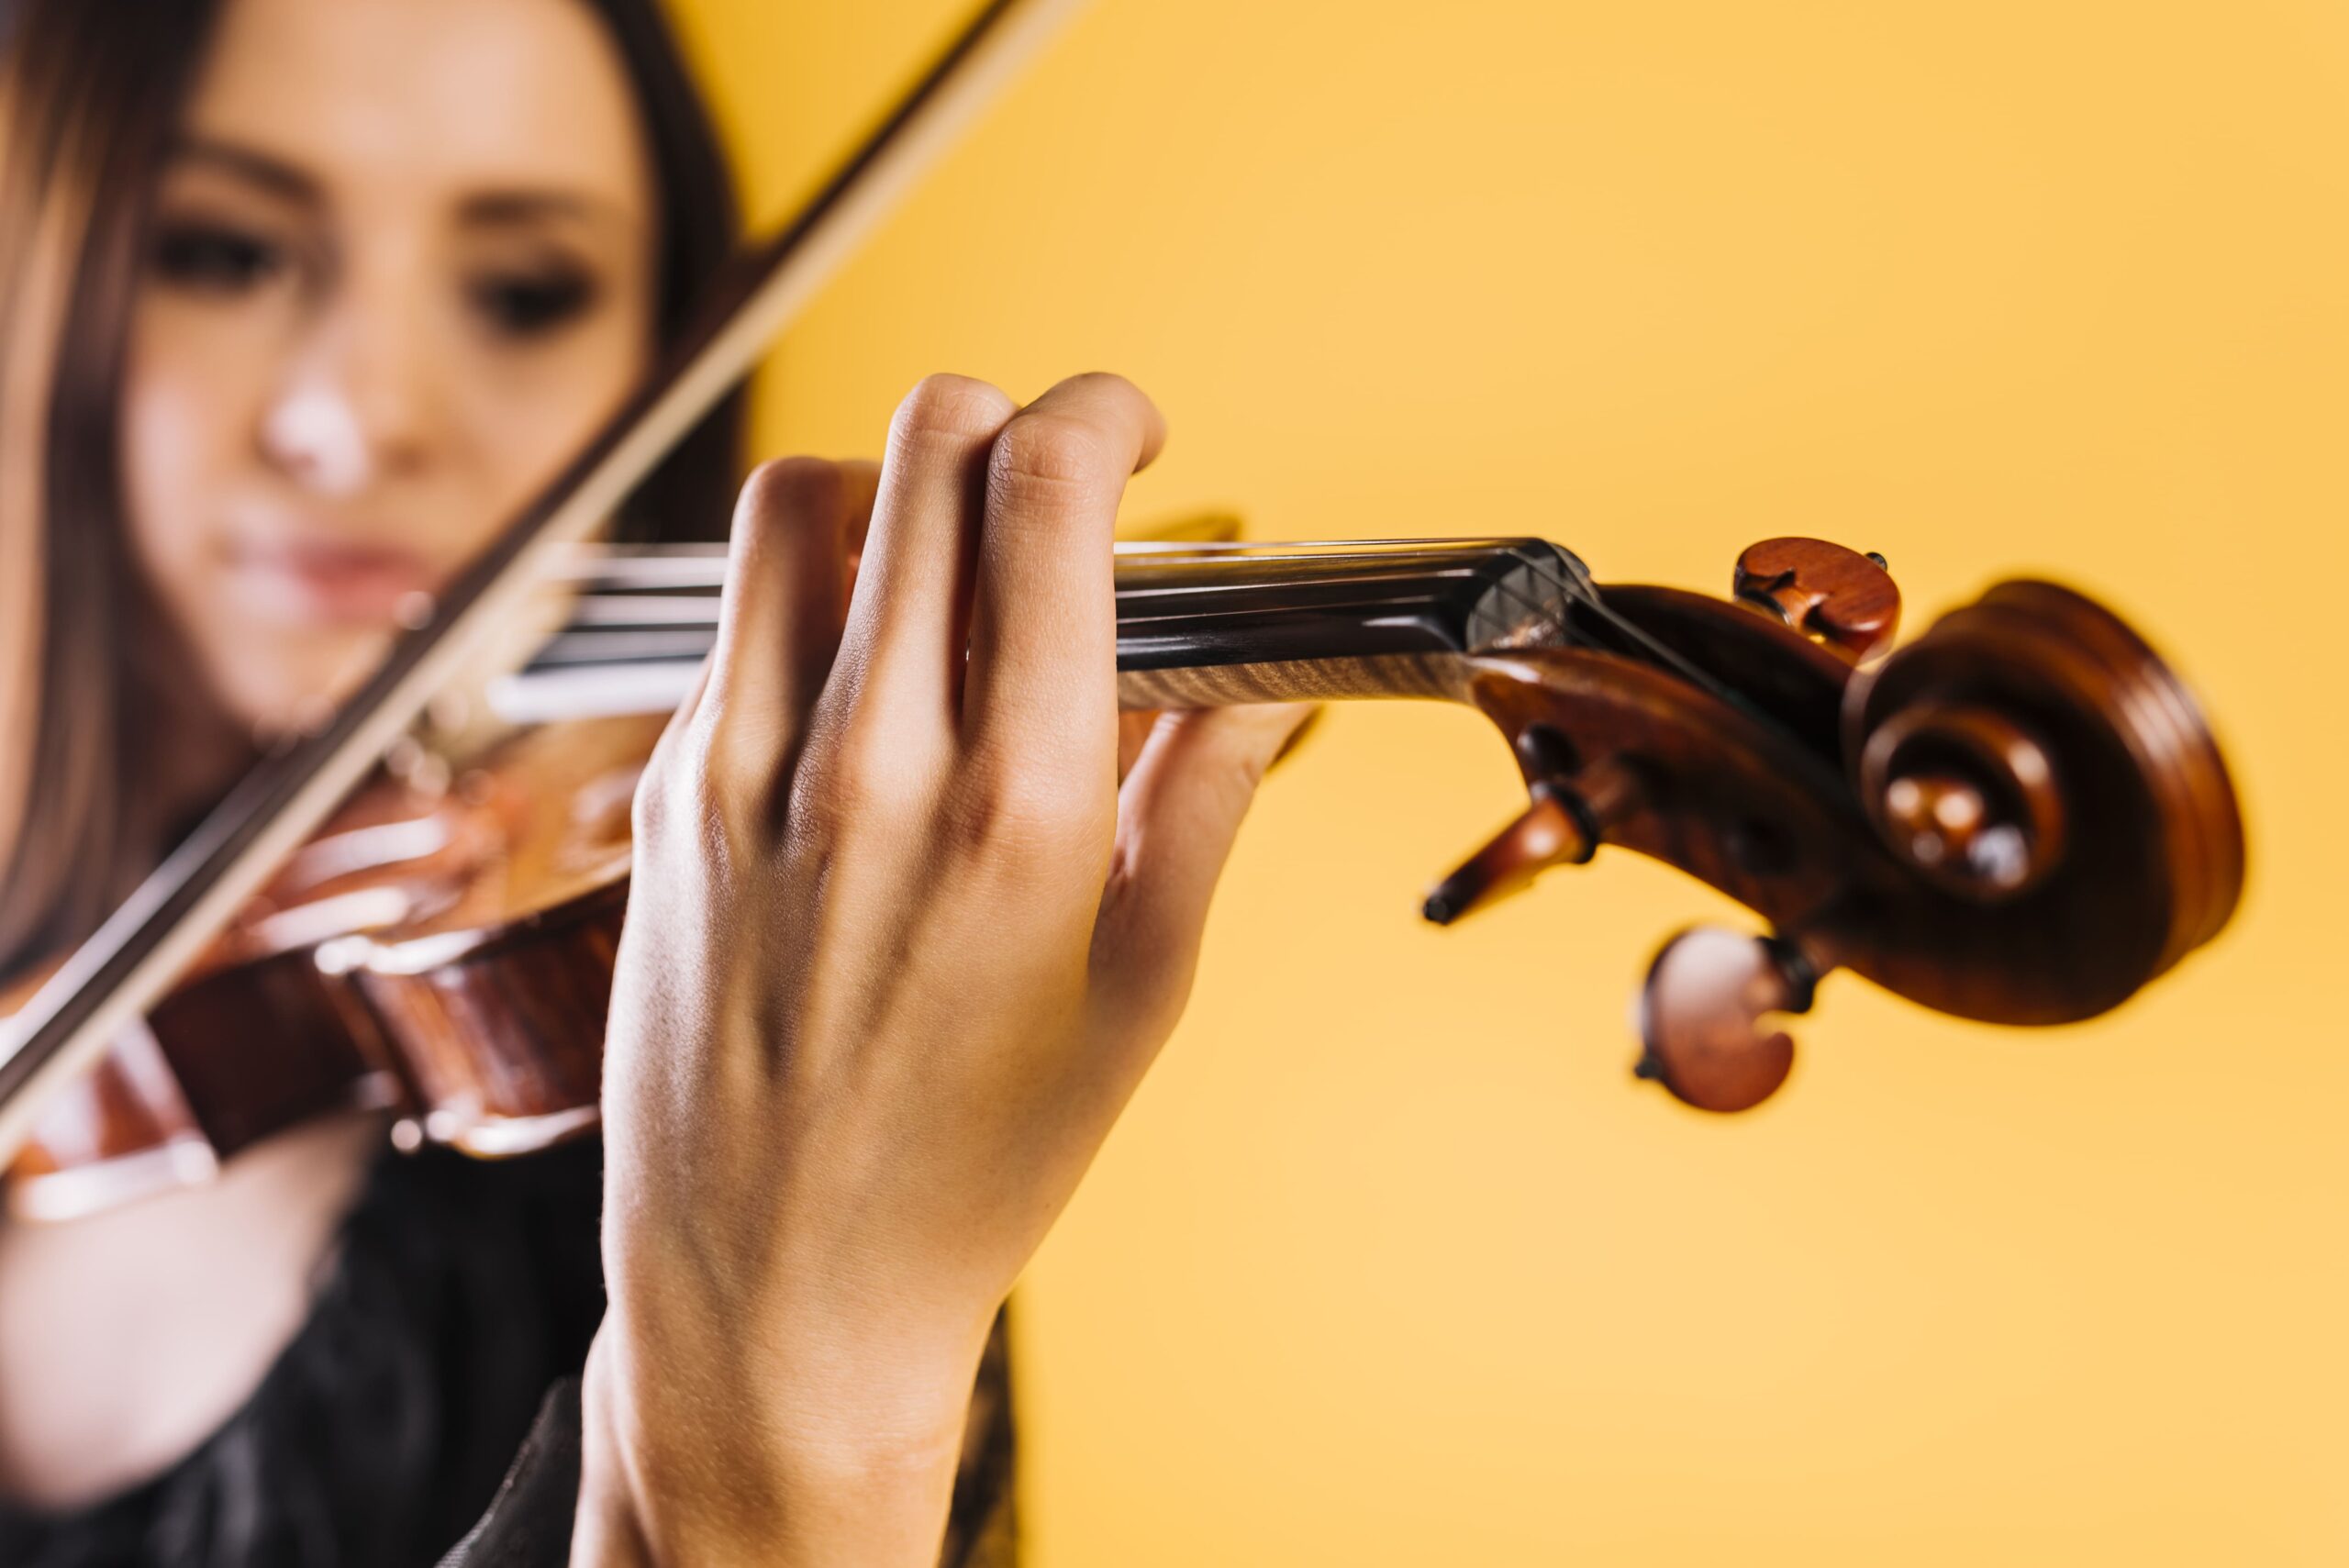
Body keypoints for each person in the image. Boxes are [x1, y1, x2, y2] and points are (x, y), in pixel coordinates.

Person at [0, 0, 1308, 1563]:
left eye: (526, 288)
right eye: (224, 252)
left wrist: (787, 1404)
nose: (367, 416)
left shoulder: (732, 1122)